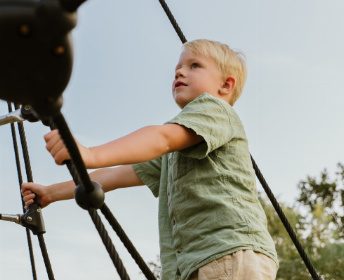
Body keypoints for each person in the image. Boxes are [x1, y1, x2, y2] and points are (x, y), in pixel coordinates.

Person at [22, 39, 279, 280]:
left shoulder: (216, 110)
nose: (179, 72)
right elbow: (115, 175)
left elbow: (161, 138)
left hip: (229, 253)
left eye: (194, 66)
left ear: (225, 86)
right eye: (177, 67)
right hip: (197, 263)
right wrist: (51, 193)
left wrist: (89, 154)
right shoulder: (176, 152)